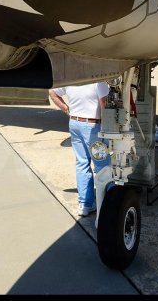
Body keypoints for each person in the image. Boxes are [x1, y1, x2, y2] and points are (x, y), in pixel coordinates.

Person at [48, 81, 111, 217]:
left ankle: (85, 204)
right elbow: (104, 106)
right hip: (93, 126)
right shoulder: (99, 81)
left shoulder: (72, 78)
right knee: (103, 166)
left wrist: (66, 109)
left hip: (75, 123)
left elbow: (52, 93)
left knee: (82, 163)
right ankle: (106, 203)